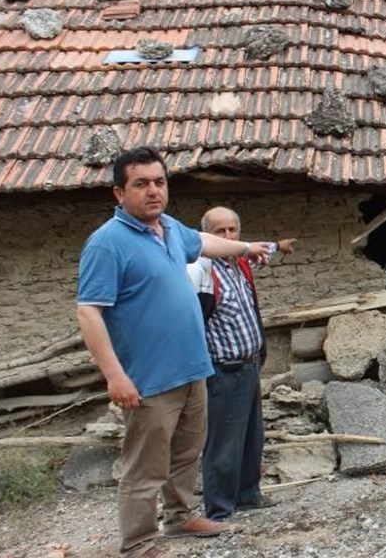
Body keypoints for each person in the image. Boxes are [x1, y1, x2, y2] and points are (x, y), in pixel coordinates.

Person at [76, 146, 273, 558]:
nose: (153, 191)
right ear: (119, 193)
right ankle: (138, 542)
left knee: (186, 452)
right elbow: (89, 311)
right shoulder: (107, 244)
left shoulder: (167, 228)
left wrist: (246, 247)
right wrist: (115, 375)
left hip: (193, 369)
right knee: (145, 466)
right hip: (149, 378)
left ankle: (180, 516)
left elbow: (203, 241)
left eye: (159, 182)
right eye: (141, 184)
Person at [186, 207, 296, 521]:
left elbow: (258, 248)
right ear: (206, 235)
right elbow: (193, 323)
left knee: (251, 437)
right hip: (223, 371)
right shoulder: (201, 271)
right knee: (223, 442)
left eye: (232, 230)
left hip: (249, 366)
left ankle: (248, 496)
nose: (228, 237)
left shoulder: (239, 263)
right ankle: (218, 509)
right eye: (220, 232)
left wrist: (279, 246)